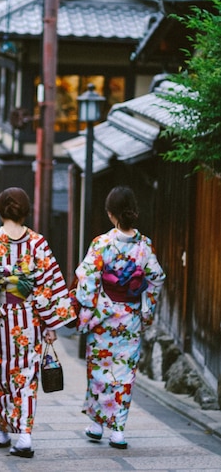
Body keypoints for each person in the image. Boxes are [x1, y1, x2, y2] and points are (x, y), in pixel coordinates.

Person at [0, 187, 75, 458]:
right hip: (29, 321)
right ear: (26, 212)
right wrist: (49, 325)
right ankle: (22, 435)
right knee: (24, 379)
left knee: (0, 377)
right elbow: (49, 287)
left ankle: (4, 430)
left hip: (0, 319)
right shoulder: (38, 244)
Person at [74, 185, 166, 450]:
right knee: (124, 374)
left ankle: (96, 425)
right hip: (130, 318)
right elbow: (157, 278)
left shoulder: (101, 243)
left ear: (110, 213)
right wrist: (144, 307)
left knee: (100, 372)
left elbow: (87, 279)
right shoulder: (144, 245)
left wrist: (87, 310)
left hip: (104, 317)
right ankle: (118, 431)